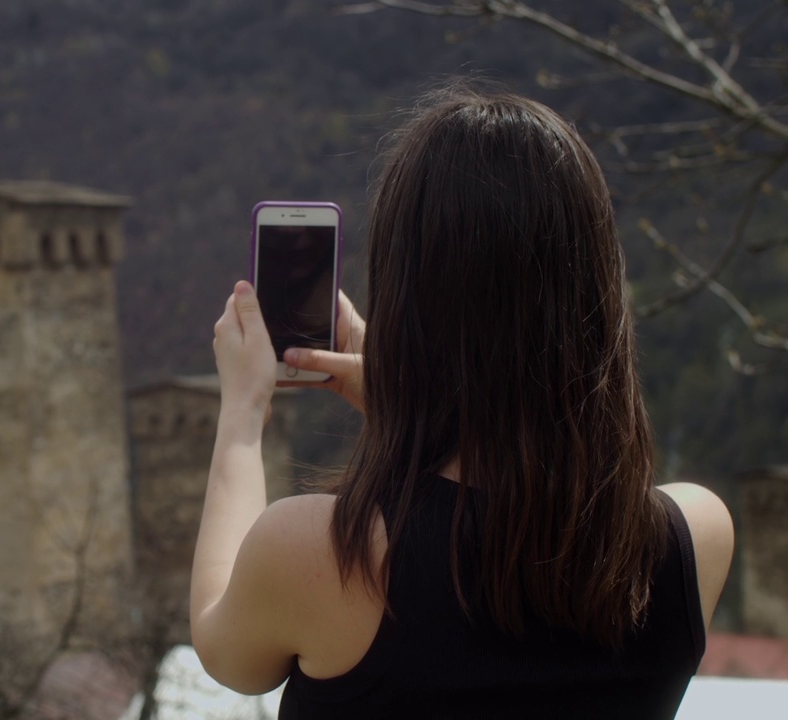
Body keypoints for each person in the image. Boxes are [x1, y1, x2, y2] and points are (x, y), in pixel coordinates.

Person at [191, 86, 734, 719]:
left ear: (405, 299)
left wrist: (242, 413)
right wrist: (408, 404)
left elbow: (220, 642)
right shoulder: (693, 538)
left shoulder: (322, 555)